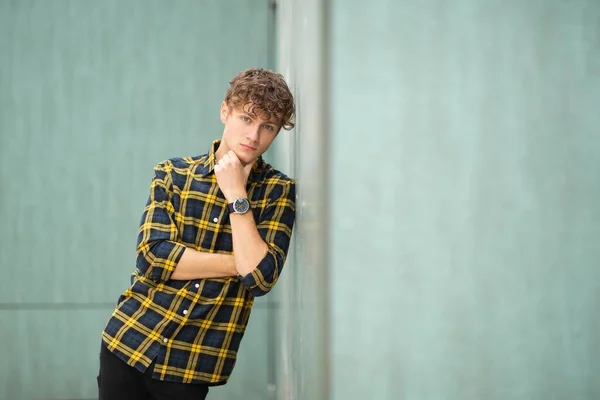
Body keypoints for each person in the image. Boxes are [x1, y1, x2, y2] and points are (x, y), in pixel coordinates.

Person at [97, 68, 296, 400]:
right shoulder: (172, 174)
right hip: (128, 340)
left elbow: (260, 280)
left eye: (268, 127)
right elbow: (153, 259)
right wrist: (241, 262)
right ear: (225, 112)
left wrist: (236, 196)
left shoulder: (277, 192)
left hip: (191, 366)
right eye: (247, 119)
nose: (254, 135)